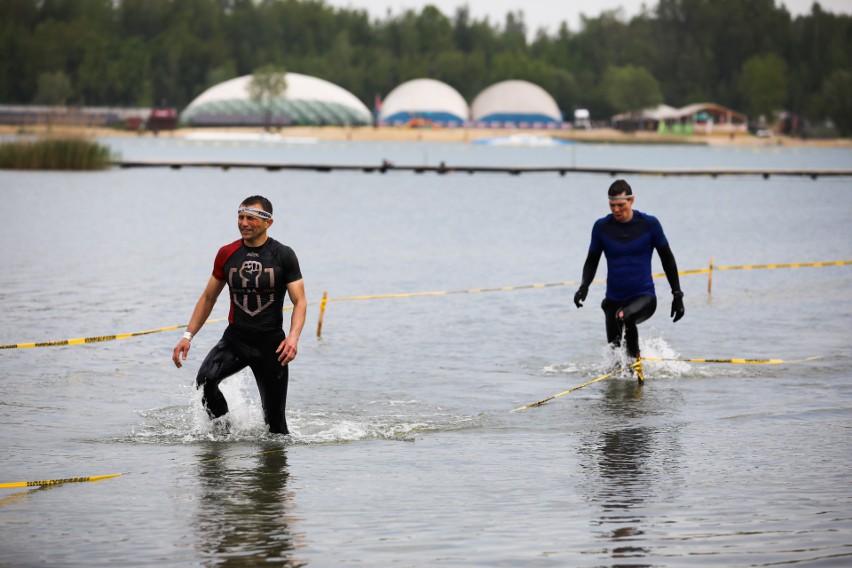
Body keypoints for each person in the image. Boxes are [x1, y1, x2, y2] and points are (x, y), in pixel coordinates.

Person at [172, 196, 306, 434]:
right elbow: (208, 298)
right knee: (204, 382)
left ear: (268, 223)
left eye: (251, 218)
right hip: (236, 340)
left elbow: (300, 301)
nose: (244, 223)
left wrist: (293, 338)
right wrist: (187, 336)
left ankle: (273, 469)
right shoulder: (227, 253)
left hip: (272, 347)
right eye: (241, 217)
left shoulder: (283, 255)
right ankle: (224, 435)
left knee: (276, 429)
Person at [573, 179, 684, 382]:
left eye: (621, 205)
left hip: (644, 297)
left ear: (631, 200)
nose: (616, 210)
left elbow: (667, 259)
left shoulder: (649, 224)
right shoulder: (601, 227)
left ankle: (638, 374)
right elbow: (591, 261)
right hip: (613, 301)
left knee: (624, 316)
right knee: (615, 360)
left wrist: (677, 294)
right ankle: (621, 402)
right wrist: (584, 286)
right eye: (612, 205)